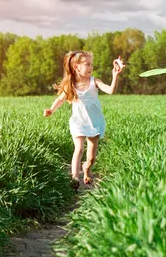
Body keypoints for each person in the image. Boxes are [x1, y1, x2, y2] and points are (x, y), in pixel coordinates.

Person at [43, 51, 123, 189]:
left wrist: (114, 75)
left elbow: (110, 90)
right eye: (87, 64)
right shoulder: (71, 85)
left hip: (94, 123)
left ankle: (86, 168)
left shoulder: (94, 81)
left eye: (91, 64)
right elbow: (60, 99)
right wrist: (51, 110)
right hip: (78, 123)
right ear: (76, 67)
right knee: (78, 149)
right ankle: (74, 178)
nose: (91, 67)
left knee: (91, 158)